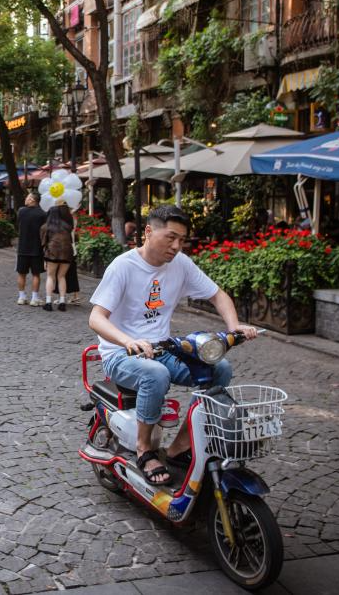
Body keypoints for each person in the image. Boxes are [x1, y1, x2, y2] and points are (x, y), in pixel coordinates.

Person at [87, 205, 258, 486]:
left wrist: (234, 326)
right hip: (120, 353)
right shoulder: (123, 266)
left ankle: (179, 448)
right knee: (156, 374)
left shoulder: (181, 264)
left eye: (182, 240)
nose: (177, 245)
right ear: (148, 232)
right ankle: (145, 450)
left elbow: (218, 295)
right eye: (171, 237)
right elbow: (96, 317)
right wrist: (128, 340)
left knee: (220, 369)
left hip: (162, 349)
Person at [15, 192, 47, 306]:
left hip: (23, 247)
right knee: (36, 274)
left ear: (33, 200)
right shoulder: (43, 214)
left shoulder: (21, 211)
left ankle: (21, 297)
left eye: (28, 197)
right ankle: (34, 298)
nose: (26, 199)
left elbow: (18, 223)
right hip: (37, 248)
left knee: (21, 273)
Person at [40, 206, 74, 311]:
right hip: (67, 254)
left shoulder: (46, 227)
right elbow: (72, 240)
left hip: (52, 254)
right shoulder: (67, 226)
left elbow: (43, 242)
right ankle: (62, 302)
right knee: (61, 276)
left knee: (50, 277)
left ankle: (49, 302)